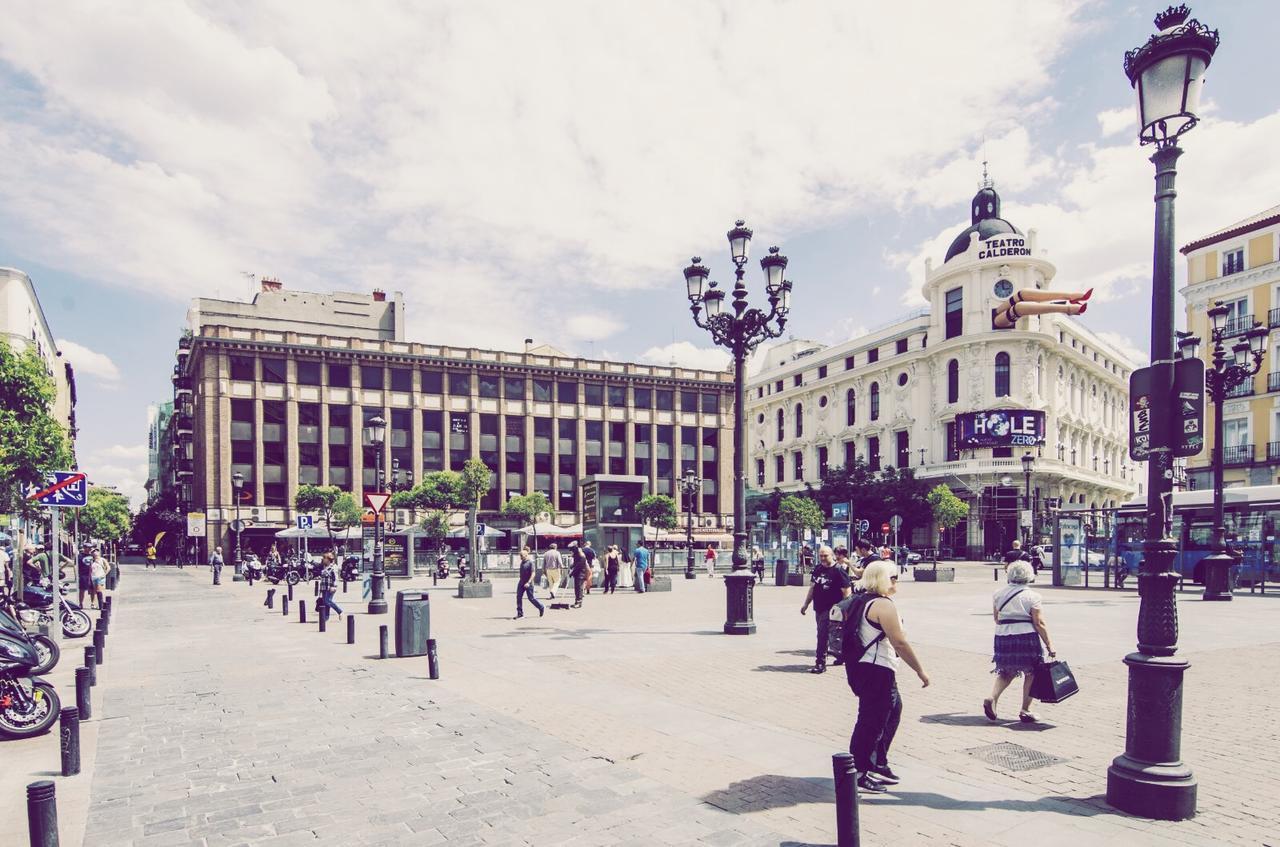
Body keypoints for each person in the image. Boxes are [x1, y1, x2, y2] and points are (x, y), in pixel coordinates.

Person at [846, 560, 930, 793]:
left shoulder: (862, 600)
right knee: (871, 722)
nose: (896, 581)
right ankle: (859, 771)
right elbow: (900, 643)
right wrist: (920, 670)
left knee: (893, 710)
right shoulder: (883, 605)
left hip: (864, 668)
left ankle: (877, 763)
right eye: (893, 577)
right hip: (877, 670)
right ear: (882, 579)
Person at [984, 560, 1056, 724]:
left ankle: (992, 697)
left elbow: (997, 618)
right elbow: (1038, 623)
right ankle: (1025, 710)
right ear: (1029, 576)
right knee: (1031, 672)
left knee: (1006, 671)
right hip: (1026, 636)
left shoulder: (998, 593)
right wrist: (1049, 645)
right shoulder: (1033, 596)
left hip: (1003, 636)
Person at [800, 545, 851, 674]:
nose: (822, 558)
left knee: (823, 635)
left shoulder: (838, 570)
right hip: (819, 607)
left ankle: (820, 663)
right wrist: (806, 604)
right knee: (831, 635)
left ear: (832, 555)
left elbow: (847, 592)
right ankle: (841, 656)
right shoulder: (818, 569)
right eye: (821, 555)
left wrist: (846, 610)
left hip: (833, 609)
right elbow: (812, 588)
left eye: (825, 555)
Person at [993, 287, 1091, 329]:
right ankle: (1067, 309)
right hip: (995, 324)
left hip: (994, 314)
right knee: (1018, 307)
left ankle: (1070, 296)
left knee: (1022, 293)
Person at [515, 546, 544, 619]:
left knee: (531, 598)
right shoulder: (522, 562)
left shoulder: (530, 563)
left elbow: (533, 573)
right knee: (518, 597)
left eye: (521, 556)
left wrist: (529, 582)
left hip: (528, 583)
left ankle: (541, 607)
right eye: (520, 556)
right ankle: (520, 613)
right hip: (521, 582)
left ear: (526, 555)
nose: (520, 557)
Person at [316, 553, 343, 620]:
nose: (323, 559)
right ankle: (326, 617)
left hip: (330, 587)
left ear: (328, 559)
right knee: (325, 602)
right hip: (324, 587)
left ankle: (340, 611)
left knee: (327, 601)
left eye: (324, 558)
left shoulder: (333, 567)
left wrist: (334, 586)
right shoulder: (324, 567)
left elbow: (336, 578)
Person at [570, 543, 589, 608]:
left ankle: (579, 602)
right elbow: (576, 563)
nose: (571, 552)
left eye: (572, 550)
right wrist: (572, 566)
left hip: (581, 574)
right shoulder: (576, 555)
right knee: (576, 589)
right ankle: (576, 601)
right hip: (577, 574)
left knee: (579, 588)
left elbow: (579, 566)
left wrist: (572, 572)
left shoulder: (581, 556)